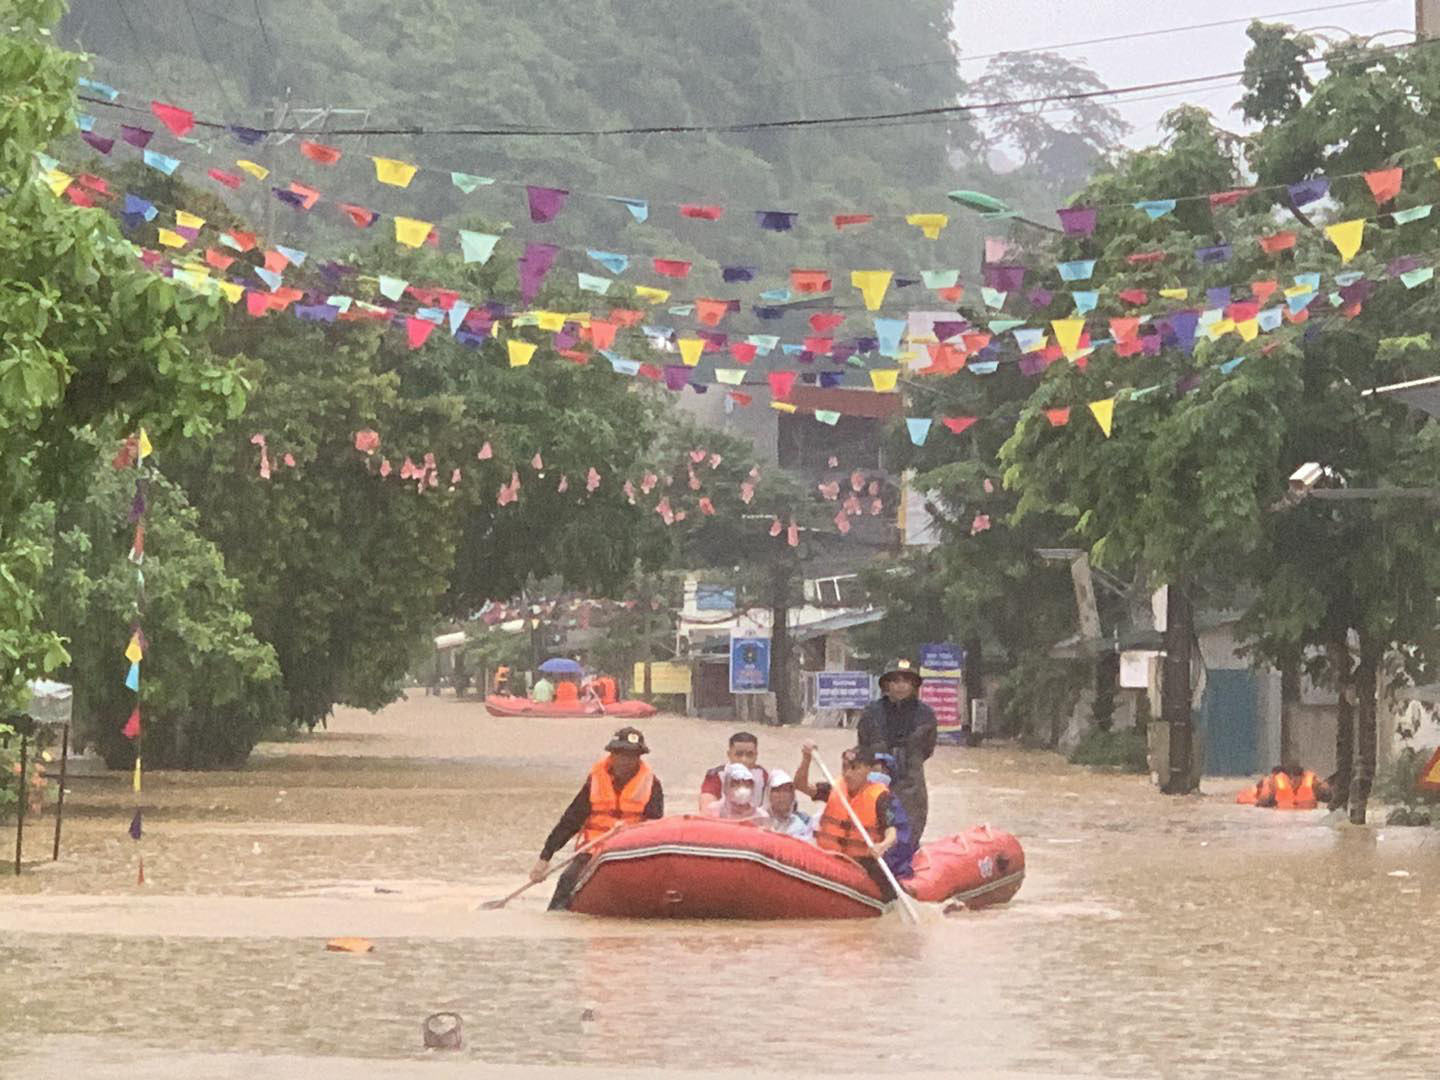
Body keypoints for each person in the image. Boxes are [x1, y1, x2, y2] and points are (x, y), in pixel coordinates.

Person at [530, 727, 664, 910]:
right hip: (592, 851)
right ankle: (557, 917)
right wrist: (545, 858)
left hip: (630, 851)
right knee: (567, 880)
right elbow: (570, 821)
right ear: (612, 754)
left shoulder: (652, 784)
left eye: (632, 755)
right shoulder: (595, 781)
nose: (626, 760)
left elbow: (655, 826)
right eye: (622, 754)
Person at [793, 746, 900, 900]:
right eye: (844, 767)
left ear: (868, 769)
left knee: (889, 896)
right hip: (830, 856)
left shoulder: (880, 798)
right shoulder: (834, 788)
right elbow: (800, 785)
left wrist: (882, 845)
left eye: (854, 768)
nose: (847, 773)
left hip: (862, 862)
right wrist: (806, 759)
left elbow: (892, 831)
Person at [857, 660, 937, 843]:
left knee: (910, 832)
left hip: (911, 784)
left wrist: (906, 759)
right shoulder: (871, 713)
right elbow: (863, 746)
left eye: (906, 681)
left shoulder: (926, 714)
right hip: (876, 781)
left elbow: (927, 749)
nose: (900, 686)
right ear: (886, 684)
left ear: (913, 685)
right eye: (895, 680)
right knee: (873, 828)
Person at [867, 752, 916, 879]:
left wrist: (882, 848)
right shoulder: (853, 794)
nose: (873, 774)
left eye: (878, 770)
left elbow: (899, 838)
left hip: (882, 859)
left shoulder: (891, 803)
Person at [699, 731, 769, 812]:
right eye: (739, 754)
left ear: (756, 755)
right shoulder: (716, 776)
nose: (744, 760)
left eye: (749, 754)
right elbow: (706, 810)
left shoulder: (762, 775)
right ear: (729, 755)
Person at [1236, 764, 1332, 809]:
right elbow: (1263, 801)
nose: (1293, 782)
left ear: (1302, 777)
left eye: (1296, 779)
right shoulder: (1274, 783)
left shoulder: (1312, 782)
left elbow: (1328, 794)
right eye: (1291, 779)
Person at [702, 763, 769, 823]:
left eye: (747, 784)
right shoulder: (713, 811)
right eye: (735, 784)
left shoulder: (761, 816)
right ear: (726, 787)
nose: (742, 787)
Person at [765, 768, 813, 839]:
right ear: (769, 794)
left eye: (786, 790)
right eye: (777, 790)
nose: (782, 795)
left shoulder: (799, 826)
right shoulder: (758, 819)